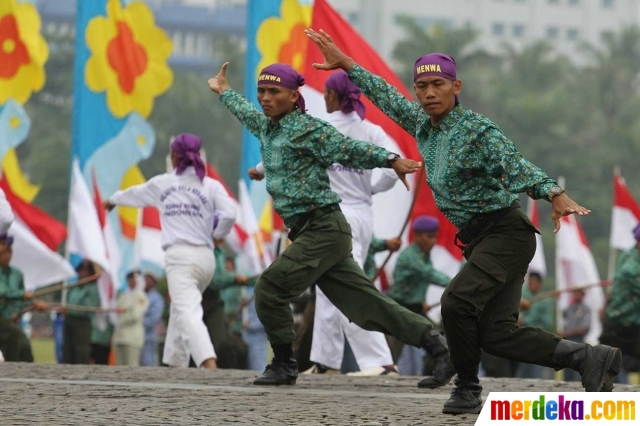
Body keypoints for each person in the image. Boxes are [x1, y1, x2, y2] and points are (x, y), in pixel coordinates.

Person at [306, 29, 622, 413]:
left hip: (506, 233)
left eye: (438, 84)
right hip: (483, 240)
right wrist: (347, 64)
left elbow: (514, 162)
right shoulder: (423, 124)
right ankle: (587, 359)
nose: (428, 93)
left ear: (456, 86)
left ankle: (468, 388)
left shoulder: (476, 130)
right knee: (497, 335)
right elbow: (386, 96)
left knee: (455, 303)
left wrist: (552, 193)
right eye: (421, 86)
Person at [208, 62, 453, 388]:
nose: (265, 98)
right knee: (369, 305)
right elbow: (246, 113)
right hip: (319, 232)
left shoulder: (309, 128)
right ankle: (438, 346)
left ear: (294, 95)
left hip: (323, 228)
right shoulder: (270, 128)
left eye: (274, 92)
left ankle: (283, 363)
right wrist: (225, 91)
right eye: (262, 92)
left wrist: (390, 160)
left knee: (270, 287)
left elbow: (348, 148)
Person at [249, 70, 400, 377]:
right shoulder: (371, 130)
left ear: (332, 96)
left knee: (348, 287)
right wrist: (369, 189)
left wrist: (259, 170)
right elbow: (392, 166)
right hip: (362, 213)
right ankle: (326, 362)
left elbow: (282, 151)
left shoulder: (321, 127)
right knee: (330, 286)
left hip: (331, 213)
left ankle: (380, 362)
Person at [104, 133, 237, 369]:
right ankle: (176, 365)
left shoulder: (163, 183)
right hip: (206, 260)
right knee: (179, 308)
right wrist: (217, 234)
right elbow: (229, 213)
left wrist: (113, 200)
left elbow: (135, 193)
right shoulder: (210, 185)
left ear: (175, 155)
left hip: (180, 258)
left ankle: (209, 362)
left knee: (187, 310)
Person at [388, 216, 450, 377]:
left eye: (435, 236)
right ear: (416, 235)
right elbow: (428, 274)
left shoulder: (424, 254)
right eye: (429, 236)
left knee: (438, 341)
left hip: (415, 309)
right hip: (399, 309)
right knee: (392, 352)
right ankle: (381, 380)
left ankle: (430, 376)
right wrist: (455, 284)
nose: (433, 241)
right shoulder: (411, 256)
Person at [600, 224, 640, 383]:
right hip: (619, 324)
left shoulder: (630, 255)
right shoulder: (630, 266)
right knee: (614, 364)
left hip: (635, 324)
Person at [0, 234, 40, 362]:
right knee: (15, 336)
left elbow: (23, 300)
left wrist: (34, 304)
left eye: (9, 251)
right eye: (4, 250)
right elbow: (3, 291)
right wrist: (22, 295)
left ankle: (25, 375)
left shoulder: (17, 274)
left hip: (9, 321)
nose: (7, 255)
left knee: (23, 347)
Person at [517, 272, 554, 379]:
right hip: (524, 339)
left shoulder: (545, 300)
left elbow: (548, 322)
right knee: (523, 371)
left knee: (536, 372)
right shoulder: (524, 297)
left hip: (538, 339)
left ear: (539, 283)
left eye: (534, 282)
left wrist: (527, 320)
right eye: (530, 282)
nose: (531, 285)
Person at [63, 260, 101, 364]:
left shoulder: (92, 288)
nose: (82, 273)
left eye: (85, 271)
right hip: (70, 321)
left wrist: (72, 309)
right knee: (67, 352)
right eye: (81, 271)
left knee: (81, 353)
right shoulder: (74, 287)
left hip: (82, 323)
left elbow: (89, 307)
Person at [112, 270, 149, 366]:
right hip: (120, 337)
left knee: (131, 367)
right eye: (130, 280)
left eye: (134, 280)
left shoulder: (141, 296)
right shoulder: (124, 295)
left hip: (132, 338)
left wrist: (122, 316)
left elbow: (136, 315)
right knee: (119, 368)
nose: (131, 282)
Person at [561, 289, 591, 381]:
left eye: (578, 294)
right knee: (567, 371)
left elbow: (584, 329)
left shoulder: (586, 309)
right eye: (575, 293)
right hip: (567, 342)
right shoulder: (570, 308)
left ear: (583, 295)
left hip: (578, 342)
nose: (576, 296)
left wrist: (567, 333)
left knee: (576, 372)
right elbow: (564, 317)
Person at [141, 272, 165, 367]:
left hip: (148, 338)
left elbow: (153, 319)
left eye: (148, 279)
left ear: (154, 282)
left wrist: (137, 323)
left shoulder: (156, 299)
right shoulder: (139, 295)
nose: (145, 281)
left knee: (148, 363)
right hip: (136, 338)